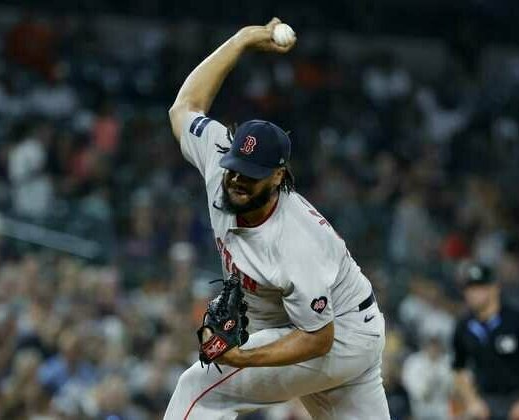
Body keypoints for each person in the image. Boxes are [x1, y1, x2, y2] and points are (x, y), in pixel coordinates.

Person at [164, 18, 390, 419]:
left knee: (199, 389)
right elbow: (185, 107)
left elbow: (318, 340)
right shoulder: (221, 161)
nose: (236, 180)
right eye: (235, 167)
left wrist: (242, 358)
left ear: (279, 176)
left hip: (339, 335)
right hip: (314, 323)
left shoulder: (296, 239)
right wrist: (241, 40)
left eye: (250, 175)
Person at [452, 262, 519, 420]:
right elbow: (458, 368)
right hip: (485, 399)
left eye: (479, 288)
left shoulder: (514, 320)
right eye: (469, 289)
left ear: (495, 288)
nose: (473, 294)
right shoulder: (464, 326)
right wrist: (472, 401)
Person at [401, 334, 454, 420]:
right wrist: (424, 388)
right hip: (420, 408)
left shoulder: (446, 362)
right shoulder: (414, 362)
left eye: (436, 346)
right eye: (432, 346)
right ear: (425, 346)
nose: (434, 349)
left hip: (442, 409)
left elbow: (451, 388)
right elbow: (408, 383)